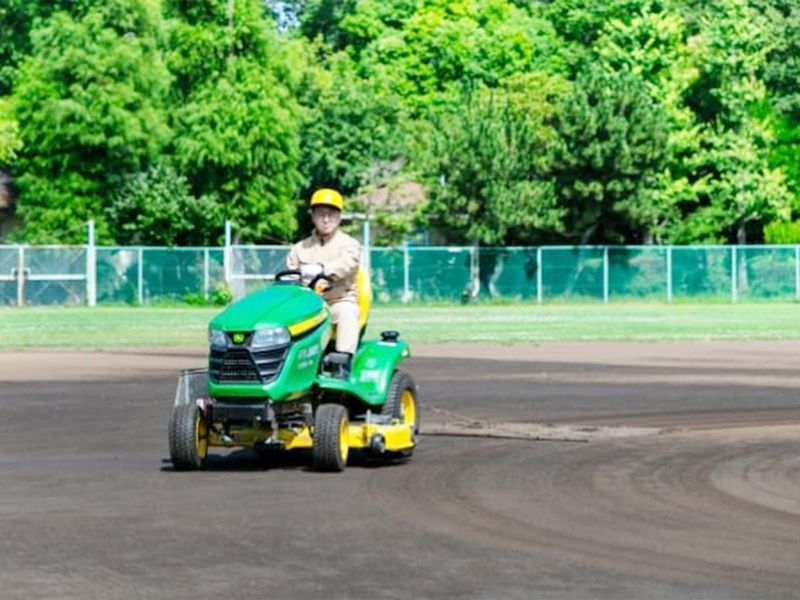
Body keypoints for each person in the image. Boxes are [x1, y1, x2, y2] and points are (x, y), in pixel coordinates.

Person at [286, 188, 361, 374]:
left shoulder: (349, 244)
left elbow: (347, 264)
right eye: (321, 214)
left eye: (331, 214)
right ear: (313, 216)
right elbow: (289, 278)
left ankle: (342, 364)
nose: (326, 219)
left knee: (347, 312)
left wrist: (322, 269)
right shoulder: (299, 248)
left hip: (337, 302)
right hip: (306, 307)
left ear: (339, 216)